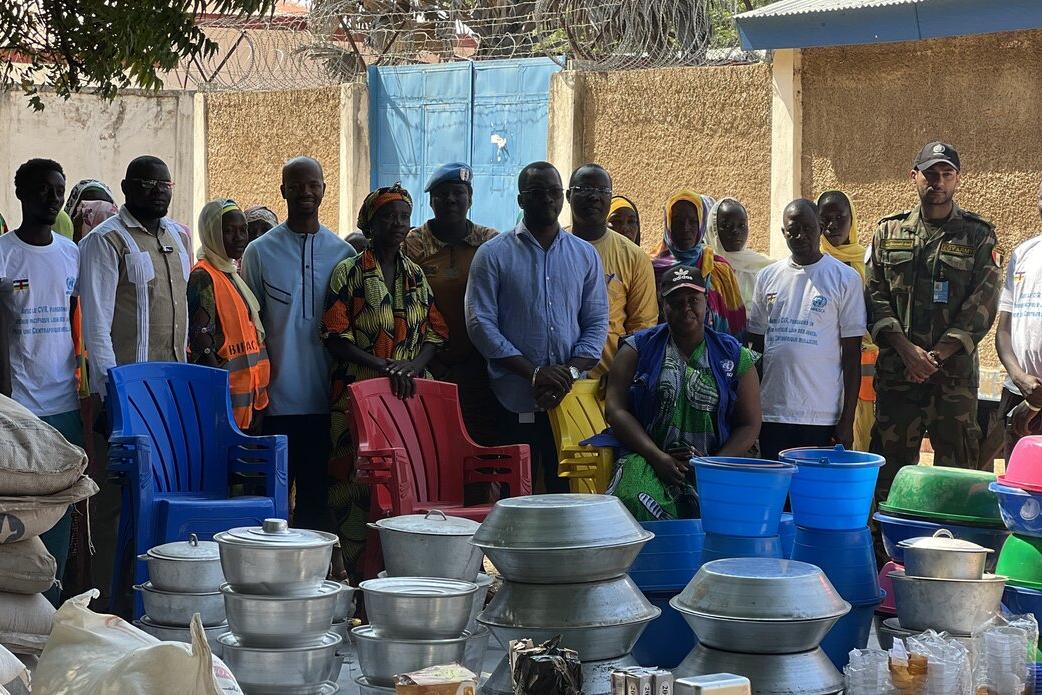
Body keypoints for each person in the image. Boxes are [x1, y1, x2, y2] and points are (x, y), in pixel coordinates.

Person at [322, 183, 448, 577]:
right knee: (358, 486)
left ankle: (405, 578)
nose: (397, 223)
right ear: (370, 224)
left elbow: (436, 333)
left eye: (404, 217)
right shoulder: (349, 272)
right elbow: (334, 336)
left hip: (406, 398)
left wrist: (411, 366)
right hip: (356, 398)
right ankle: (360, 581)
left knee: (406, 484)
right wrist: (382, 365)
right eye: (388, 217)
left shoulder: (416, 276)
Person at [466, 161, 608, 493]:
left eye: (554, 192)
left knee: (566, 496)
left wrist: (568, 373)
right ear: (520, 200)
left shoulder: (585, 255)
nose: (547, 199)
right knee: (516, 495)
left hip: (569, 399)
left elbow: (597, 322)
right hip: (512, 400)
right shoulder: (493, 254)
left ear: (563, 196)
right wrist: (534, 374)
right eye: (536, 192)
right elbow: (480, 324)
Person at [868, 142, 1000, 491]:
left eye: (946, 174)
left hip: (953, 380)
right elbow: (874, 296)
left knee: (956, 480)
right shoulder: (888, 232)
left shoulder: (978, 235)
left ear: (957, 179)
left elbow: (983, 304)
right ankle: (886, 530)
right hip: (898, 376)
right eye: (930, 174)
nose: (938, 182)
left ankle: (950, 530)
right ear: (914, 176)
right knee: (888, 478)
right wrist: (907, 351)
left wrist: (935, 356)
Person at [240, 157, 355, 533]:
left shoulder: (343, 254)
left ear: (324, 189)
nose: (305, 192)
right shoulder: (259, 252)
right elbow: (252, 330)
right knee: (268, 507)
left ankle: (313, 570)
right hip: (274, 403)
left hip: (326, 403)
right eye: (296, 185)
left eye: (313, 185)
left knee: (316, 504)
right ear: (283, 191)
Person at [603, 265, 761, 521]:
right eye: (675, 301)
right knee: (632, 500)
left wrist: (712, 466)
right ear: (662, 305)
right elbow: (615, 409)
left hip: (716, 462)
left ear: (706, 302)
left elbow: (750, 423)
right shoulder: (637, 348)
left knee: (742, 514)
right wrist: (657, 456)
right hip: (648, 458)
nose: (685, 307)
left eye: (693, 299)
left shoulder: (734, 355)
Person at [0, 159, 81, 606]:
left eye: (58, 190)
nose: (53, 199)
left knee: (60, 515)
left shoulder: (71, 253)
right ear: (21, 194)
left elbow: (76, 321)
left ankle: (54, 605)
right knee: (18, 517)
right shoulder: (4, 253)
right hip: (20, 406)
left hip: (64, 402)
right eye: (43, 190)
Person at [749, 199, 866, 462]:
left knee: (815, 486)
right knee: (777, 484)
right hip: (773, 412)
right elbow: (755, 350)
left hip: (821, 415)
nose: (800, 236)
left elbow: (851, 356)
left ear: (820, 228)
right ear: (783, 232)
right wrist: (751, 412)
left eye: (808, 228)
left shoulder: (845, 278)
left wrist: (847, 420)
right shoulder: (767, 277)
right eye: (793, 230)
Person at [403, 162, 501, 445]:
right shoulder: (413, 245)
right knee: (434, 441)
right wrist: (432, 360)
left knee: (480, 440)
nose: (450, 200)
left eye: (458, 192)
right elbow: (406, 306)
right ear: (431, 201)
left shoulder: (489, 242)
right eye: (442, 194)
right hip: (428, 363)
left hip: (481, 364)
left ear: (470, 198)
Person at [80, 155, 192, 396]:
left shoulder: (180, 237)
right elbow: (96, 325)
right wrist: (111, 390)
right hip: (129, 385)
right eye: (148, 183)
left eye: (165, 184)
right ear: (125, 187)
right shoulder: (105, 239)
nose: (158, 191)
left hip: (175, 381)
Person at [567, 164, 657, 380]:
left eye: (602, 191)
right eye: (585, 189)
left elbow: (642, 327)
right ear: (569, 196)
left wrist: (621, 373)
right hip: (555, 378)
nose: (594, 197)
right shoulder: (553, 249)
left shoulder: (634, 257)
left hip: (606, 383)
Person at [187, 200, 269, 431]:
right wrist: (219, 401)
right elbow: (203, 346)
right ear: (211, 234)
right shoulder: (203, 277)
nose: (239, 237)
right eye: (229, 231)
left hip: (250, 401)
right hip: (223, 405)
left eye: (243, 230)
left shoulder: (231, 274)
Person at [816, 190, 877, 452]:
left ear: (852, 220)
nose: (832, 226)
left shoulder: (868, 262)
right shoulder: (812, 262)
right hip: (821, 367)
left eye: (840, 218)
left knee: (862, 438)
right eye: (825, 219)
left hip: (862, 368)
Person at [652, 191, 746, 338]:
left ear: (701, 224)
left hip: (715, 350)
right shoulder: (650, 268)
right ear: (668, 223)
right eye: (678, 221)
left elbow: (736, 324)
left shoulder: (719, 269)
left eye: (693, 221)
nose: (685, 228)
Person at [993, 208, 1042, 463]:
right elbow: (1003, 330)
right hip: (1018, 390)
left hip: (1032, 400)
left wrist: (1035, 403)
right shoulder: (1024, 252)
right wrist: (1019, 377)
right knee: (1017, 481)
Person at [704, 197, 772, 304]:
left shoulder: (765, 267)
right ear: (713, 229)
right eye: (727, 226)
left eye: (742, 225)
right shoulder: (706, 268)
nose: (735, 231)